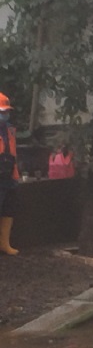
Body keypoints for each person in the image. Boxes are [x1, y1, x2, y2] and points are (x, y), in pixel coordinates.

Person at [0, 92, 19, 255]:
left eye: (6, 111)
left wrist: (15, 175)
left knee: (8, 210)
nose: (5, 114)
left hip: (9, 176)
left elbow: (13, 153)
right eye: (1, 112)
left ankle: (4, 244)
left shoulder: (11, 130)